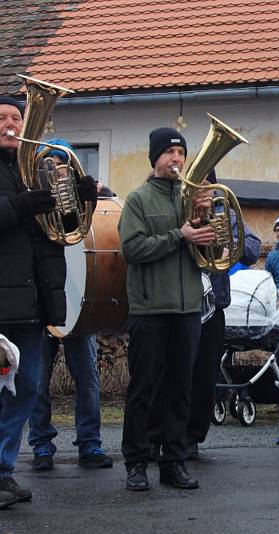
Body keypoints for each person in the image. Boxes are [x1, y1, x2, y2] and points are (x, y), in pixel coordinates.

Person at [0, 97, 96, 508]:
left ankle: (3, 472)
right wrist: (18, 205)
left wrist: (80, 197)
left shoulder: (35, 169)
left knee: (26, 387)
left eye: (16, 117)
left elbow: (64, 231)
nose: (10, 124)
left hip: (33, 298)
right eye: (2, 118)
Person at [118, 127, 215, 491]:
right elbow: (132, 249)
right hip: (149, 308)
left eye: (181, 153)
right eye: (170, 152)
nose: (177, 159)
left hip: (188, 307)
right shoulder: (138, 199)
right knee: (143, 388)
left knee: (180, 387)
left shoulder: (193, 198)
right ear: (155, 158)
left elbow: (209, 254)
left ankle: (173, 462)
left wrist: (206, 221)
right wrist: (180, 235)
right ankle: (137, 462)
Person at [147, 170, 262, 460]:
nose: (205, 193)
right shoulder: (174, 212)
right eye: (199, 187)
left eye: (209, 187)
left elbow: (252, 246)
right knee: (168, 374)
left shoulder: (224, 212)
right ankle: (157, 436)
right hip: (175, 303)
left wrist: (228, 247)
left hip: (213, 305)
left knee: (204, 375)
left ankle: (192, 437)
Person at [26, 139, 112, 471]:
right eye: (52, 168)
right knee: (37, 380)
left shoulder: (80, 199)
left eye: (63, 167)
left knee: (87, 377)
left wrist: (96, 191)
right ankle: (41, 447)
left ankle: (89, 444)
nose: (58, 174)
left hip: (78, 299)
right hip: (41, 299)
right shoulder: (33, 197)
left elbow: (105, 210)